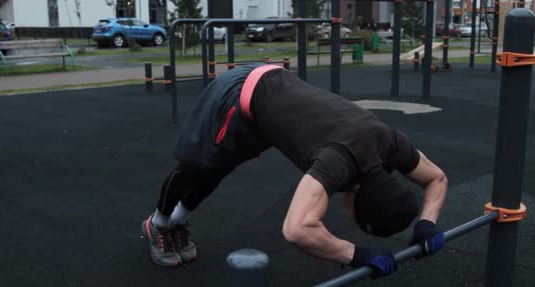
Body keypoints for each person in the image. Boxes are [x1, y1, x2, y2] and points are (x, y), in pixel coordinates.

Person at [142, 63, 448, 275]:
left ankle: (179, 220)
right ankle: (158, 223)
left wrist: (427, 224)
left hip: (266, 107)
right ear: (359, 204)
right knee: (197, 164)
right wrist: (357, 254)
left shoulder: (392, 145)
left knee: (220, 167)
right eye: (355, 217)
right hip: (237, 93)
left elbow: (436, 178)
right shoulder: (337, 162)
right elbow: (296, 229)